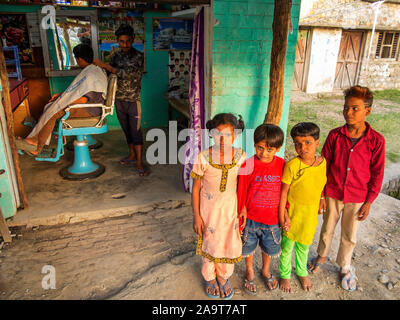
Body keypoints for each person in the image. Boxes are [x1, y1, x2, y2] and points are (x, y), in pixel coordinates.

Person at [307, 86, 385, 292]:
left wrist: (369, 201)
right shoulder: (335, 135)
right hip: (333, 192)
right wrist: (321, 194)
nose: (348, 113)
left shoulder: (376, 141)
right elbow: (324, 165)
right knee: (327, 228)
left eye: (354, 108)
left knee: (349, 234)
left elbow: (377, 172)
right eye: (345, 108)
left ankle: (344, 265)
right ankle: (322, 255)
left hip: (358, 196)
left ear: (367, 111)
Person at [191, 113, 247, 300]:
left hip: (230, 210)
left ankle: (223, 277)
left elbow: (244, 184)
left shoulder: (241, 156)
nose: (223, 140)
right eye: (218, 134)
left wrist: (244, 207)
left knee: (228, 242)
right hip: (208, 211)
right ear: (211, 133)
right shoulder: (203, 157)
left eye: (228, 135)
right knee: (210, 242)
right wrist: (196, 215)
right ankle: (209, 278)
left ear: (236, 135)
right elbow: (196, 187)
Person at [16, 44, 107, 156]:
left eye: (76, 58)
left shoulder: (92, 74)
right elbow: (78, 92)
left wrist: (63, 102)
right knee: (50, 107)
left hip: (91, 109)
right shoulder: (91, 70)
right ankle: (34, 138)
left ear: (80, 59)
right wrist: (61, 96)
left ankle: (37, 147)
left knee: (55, 111)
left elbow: (84, 99)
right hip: (87, 105)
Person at [93, 24, 148, 176]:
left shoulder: (138, 56)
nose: (124, 45)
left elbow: (128, 74)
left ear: (133, 40)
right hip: (119, 99)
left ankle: (139, 161)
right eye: (121, 42)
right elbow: (111, 75)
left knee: (136, 131)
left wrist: (106, 66)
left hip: (133, 100)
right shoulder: (116, 55)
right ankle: (131, 155)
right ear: (117, 41)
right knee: (127, 130)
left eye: (127, 41)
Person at [278, 122, 327, 293]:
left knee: (304, 245)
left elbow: (320, 183)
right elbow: (283, 193)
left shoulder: (322, 163)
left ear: (317, 142)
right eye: (297, 143)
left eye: (307, 142)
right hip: (292, 215)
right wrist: (282, 214)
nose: (302, 147)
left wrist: (322, 197)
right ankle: (284, 274)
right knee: (287, 247)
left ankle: (301, 271)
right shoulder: (292, 165)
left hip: (309, 216)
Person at [237, 124, 285, 295]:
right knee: (247, 247)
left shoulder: (282, 165)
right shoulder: (248, 164)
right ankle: (249, 269)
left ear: (278, 149)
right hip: (250, 218)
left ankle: (265, 269)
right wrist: (241, 208)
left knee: (268, 248)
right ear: (255, 144)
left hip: (272, 219)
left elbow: (286, 191)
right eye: (260, 148)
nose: (264, 153)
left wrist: (284, 211)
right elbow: (241, 188)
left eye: (270, 149)